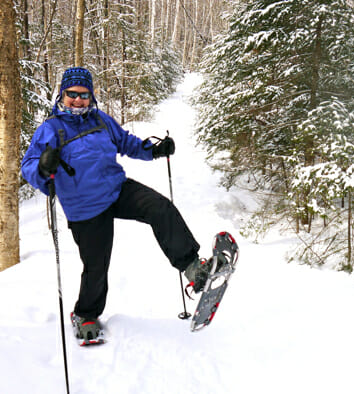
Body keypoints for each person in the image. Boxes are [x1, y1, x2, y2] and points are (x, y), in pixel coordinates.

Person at [21, 67, 213, 341]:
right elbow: (28, 165)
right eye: (72, 94)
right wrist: (42, 168)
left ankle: (193, 268)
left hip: (116, 188)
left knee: (160, 207)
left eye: (84, 95)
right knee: (96, 265)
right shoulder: (51, 129)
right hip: (84, 207)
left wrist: (154, 150)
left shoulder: (100, 119)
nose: (78, 100)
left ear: (91, 96)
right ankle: (85, 314)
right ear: (62, 95)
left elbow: (125, 142)